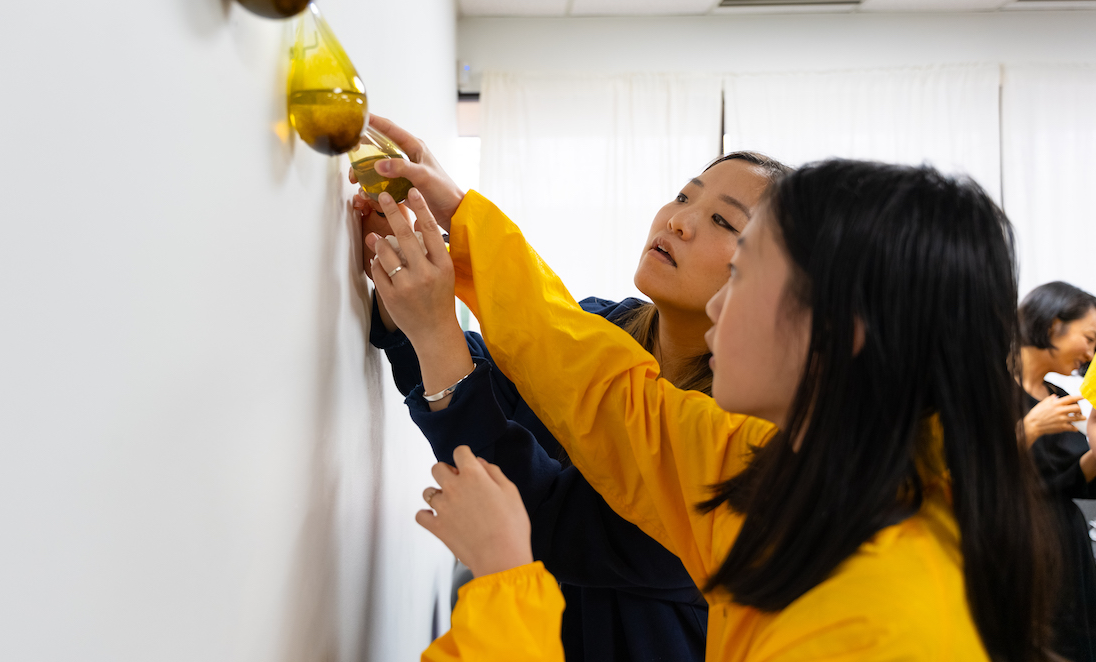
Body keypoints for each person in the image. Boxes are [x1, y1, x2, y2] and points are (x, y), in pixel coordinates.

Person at [364, 143, 1056, 660]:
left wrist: (507, 584)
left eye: (743, 269)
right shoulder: (779, 467)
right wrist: (466, 227)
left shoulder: (879, 624)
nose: (720, 301)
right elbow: (608, 392)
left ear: (837, 334)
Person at [354, 118, 789, 662]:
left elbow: (552, 520)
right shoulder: (607, 324)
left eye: (724, 221)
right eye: (684, 195)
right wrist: (405, 280)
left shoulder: (734, 448)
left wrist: (434, 328)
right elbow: (498, 382)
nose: (680, 221)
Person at [1018, 281, 1096, 661]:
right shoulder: (988, 387)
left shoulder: (1055, 395)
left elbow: (1068, 479)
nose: (1090, 352)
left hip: (1067, 546)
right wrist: (1030, 428)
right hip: (1023, 547)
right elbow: (969, 469)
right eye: (1089, 338)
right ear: (1052, 326)